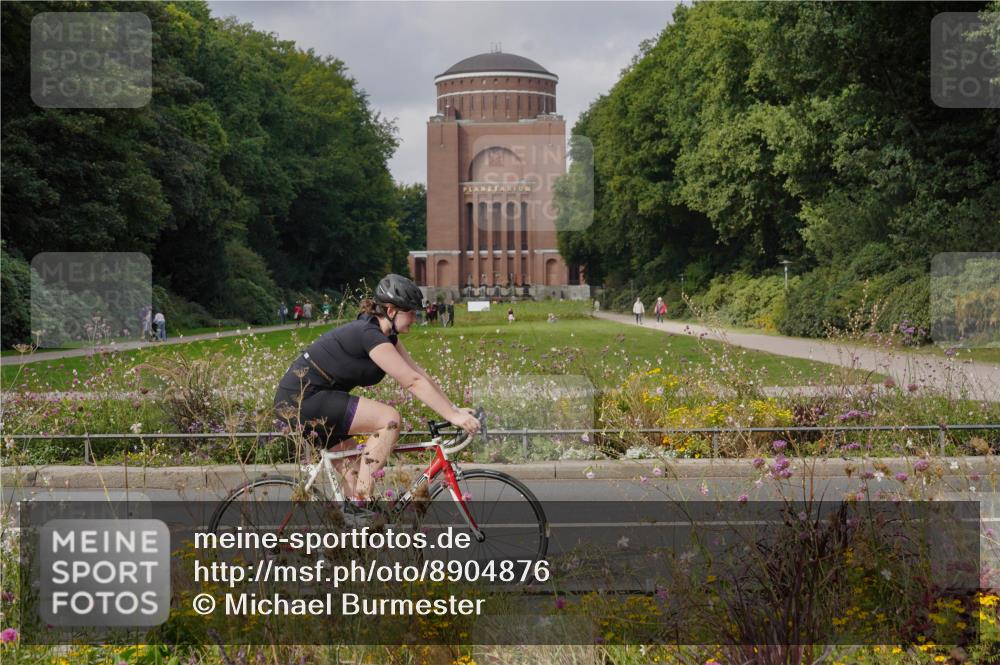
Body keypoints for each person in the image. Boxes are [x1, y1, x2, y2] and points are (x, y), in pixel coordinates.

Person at [273, 274, 480, 512]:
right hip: (303, 398)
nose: (416, 317)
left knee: (353, 475)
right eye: (410, 312)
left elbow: (418, 373)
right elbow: (411, 382)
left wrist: (454, 409)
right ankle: (362, 506)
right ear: (391, 310)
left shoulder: (385, 335)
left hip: (315, 398)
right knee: (389, 420)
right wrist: (454, 419)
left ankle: (354, 534)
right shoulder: (369, 334)